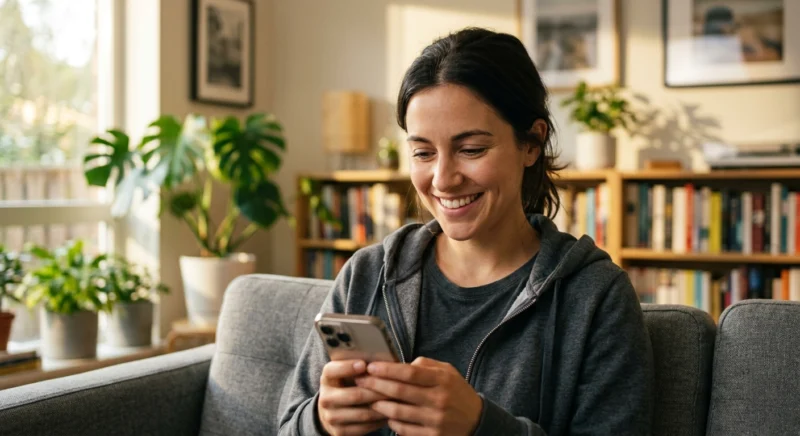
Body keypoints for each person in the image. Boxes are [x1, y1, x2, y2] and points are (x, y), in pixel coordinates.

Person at [279, 27, 654, 436]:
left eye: (471, 149)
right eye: (423, 152)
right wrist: (319, 421)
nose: (443, 180)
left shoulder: (595, 295)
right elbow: (287, 427)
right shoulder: (367, 275)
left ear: (531, 143)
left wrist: (480, 427)